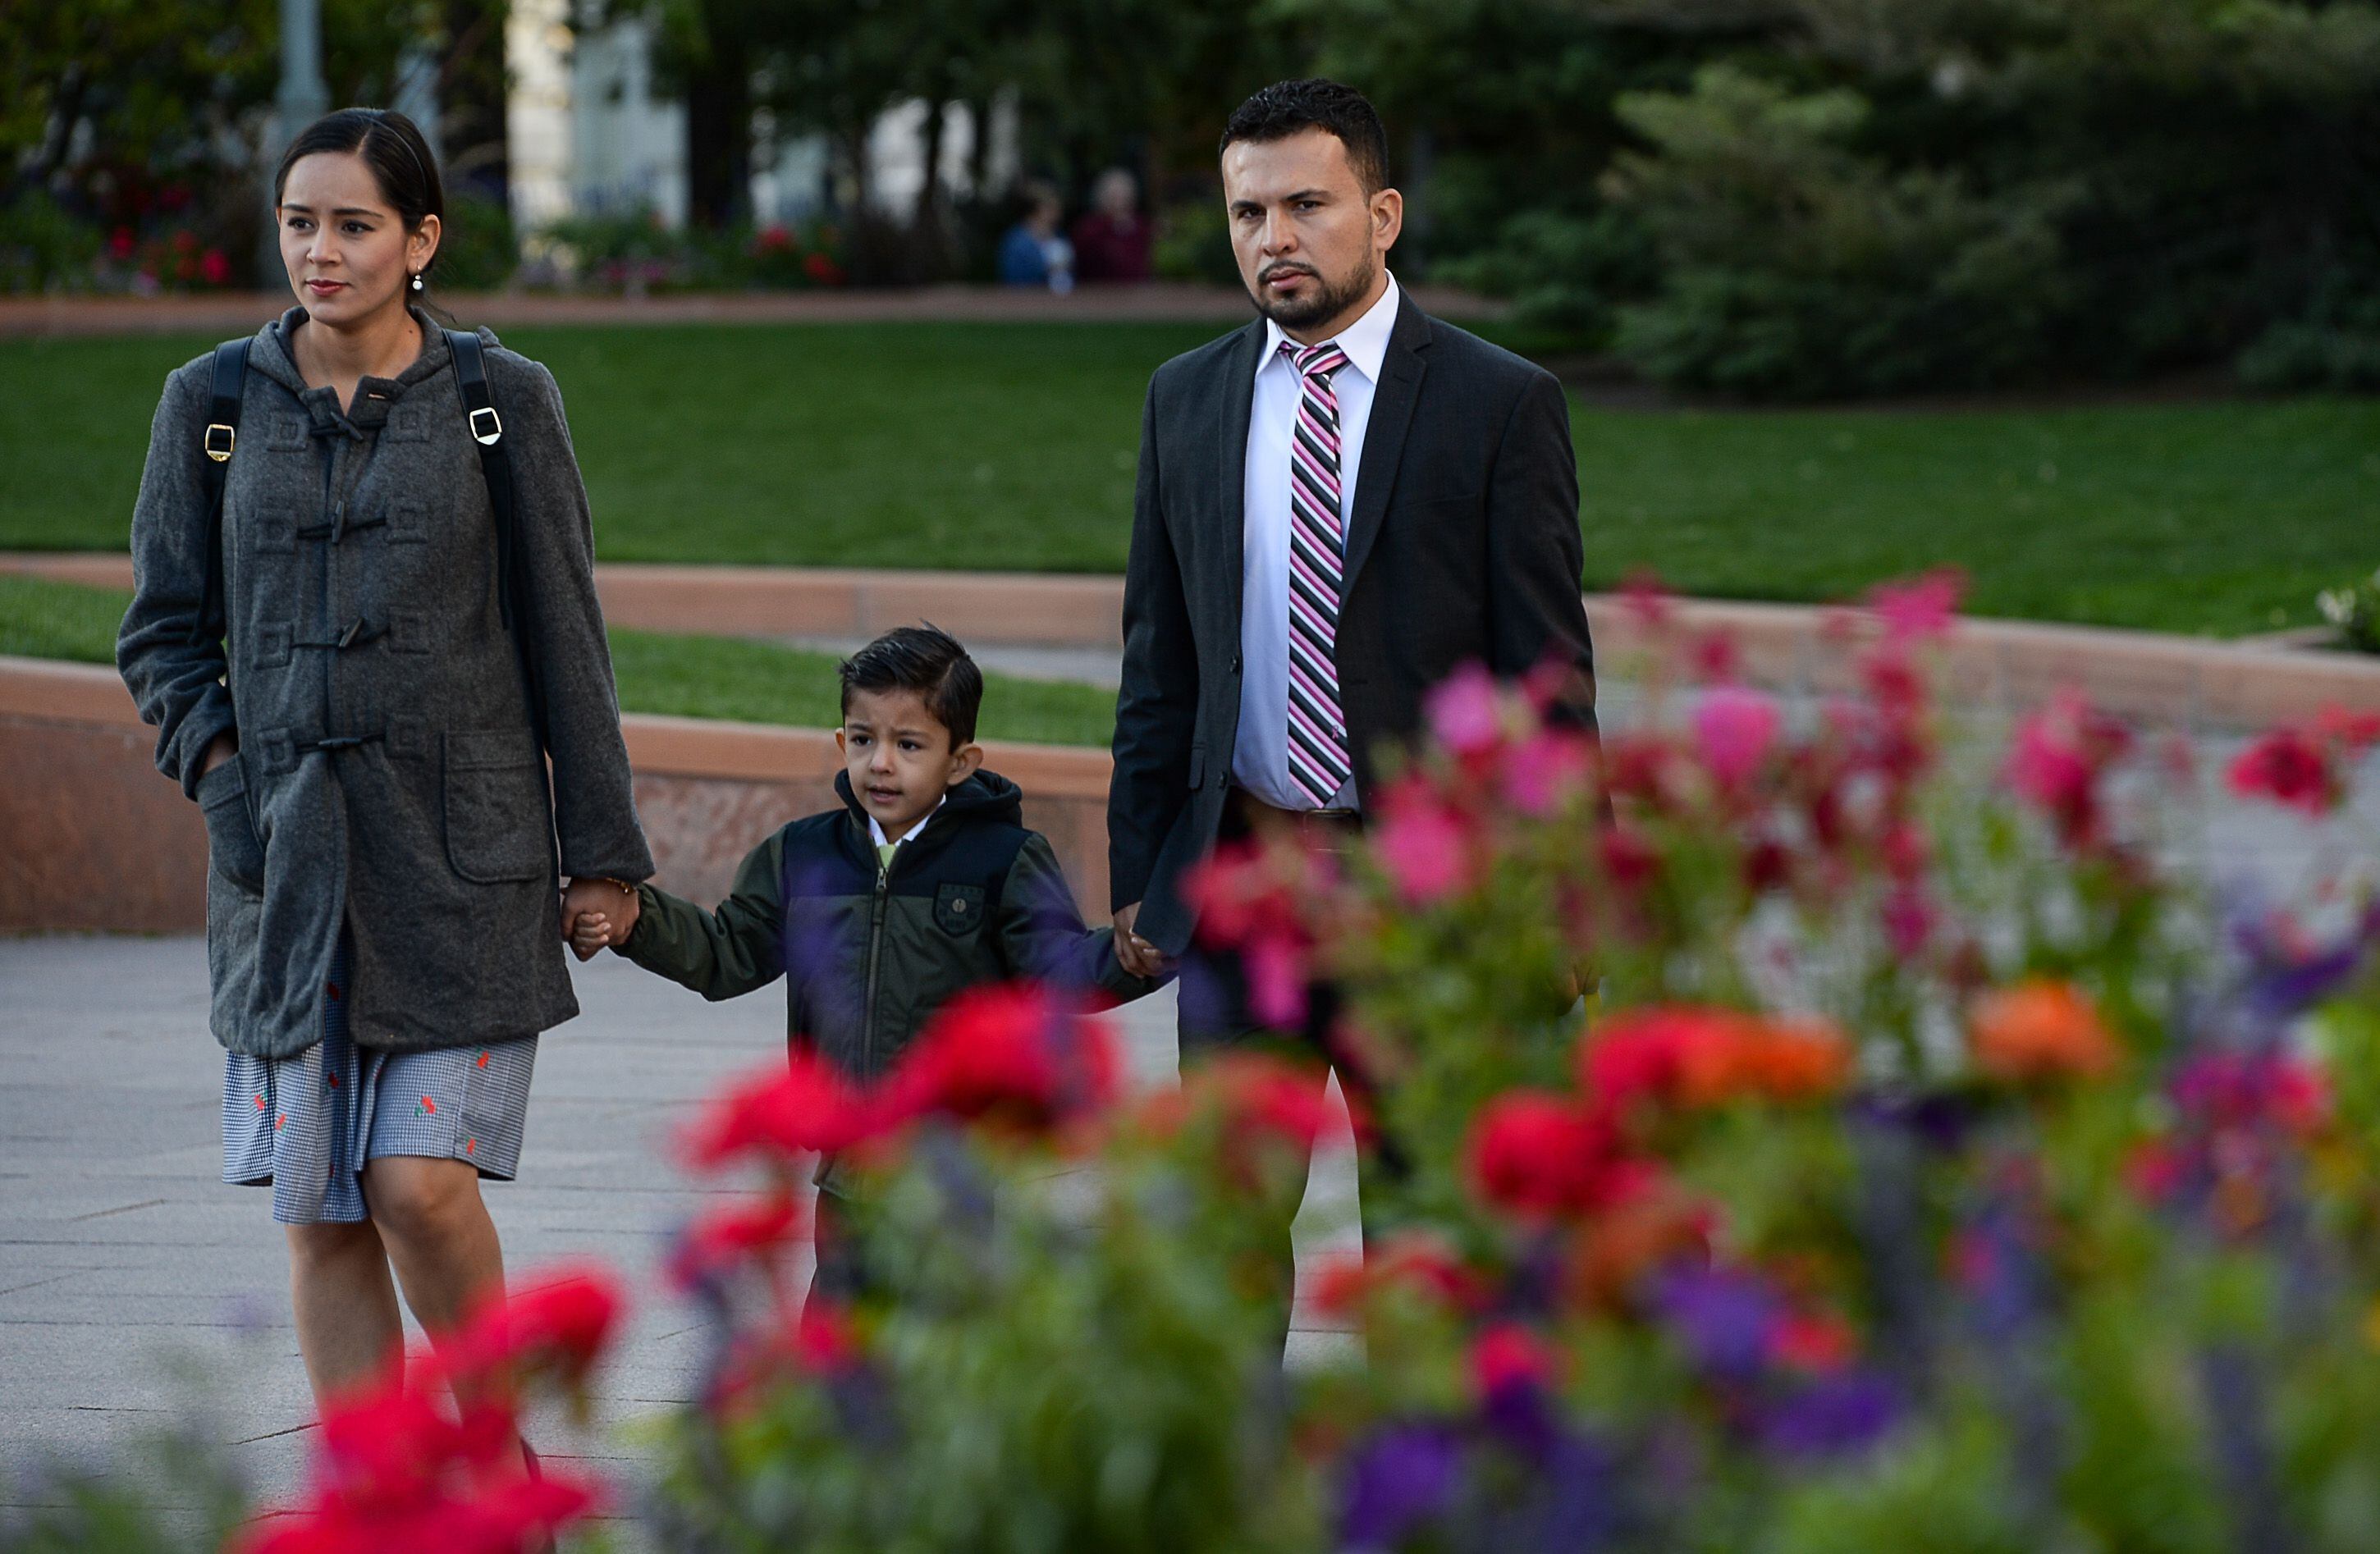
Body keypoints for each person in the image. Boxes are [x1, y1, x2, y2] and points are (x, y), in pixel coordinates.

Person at [115, 107, 652, 1411]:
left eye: (354, 225)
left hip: (461, 868)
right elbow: (162, 638)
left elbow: (563, 634)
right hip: (284, 870)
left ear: (421, 238)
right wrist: (230, 776)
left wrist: (606, 851)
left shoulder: (498, 400)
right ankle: (378, 1504)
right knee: (321, 1213)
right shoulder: (211, 405)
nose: (321, 250)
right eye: (301, 222)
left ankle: (487, 1461)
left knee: (418, 1185)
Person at [1105, 79, 1599, 1342]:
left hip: (1426, 898)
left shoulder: (1499, 403)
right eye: (1247, 211)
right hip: (1243, 884)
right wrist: (1142, 874)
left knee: (1434, 1240)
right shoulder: (1188, 398)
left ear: (1382, 214)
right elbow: (1160, 656)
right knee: (1221, 1236)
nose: (1274, 236)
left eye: (1307, 204)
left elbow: (1548, 677)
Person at [568, 625, 1160, 1300]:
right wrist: (636, 918)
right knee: (838, 1346)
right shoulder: (804, 854)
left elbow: (1059, 972)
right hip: (847, 1160)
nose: (881, 763)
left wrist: (1140, 955)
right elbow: (727, 954)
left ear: (960, 761)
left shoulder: (1004, 859)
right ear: (840, 741)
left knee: (950, 1340)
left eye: (909, 745)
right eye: (863, 739)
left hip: (955, 1165)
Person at [1071, 168, 1153, 283]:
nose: (1118, 200)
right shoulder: (1090, 228)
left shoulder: (1141, 226)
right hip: (1100, 292)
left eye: (1121, 194)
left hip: (1138, 290)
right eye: (1113, 195)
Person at [996, 181, 1074, 292]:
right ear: (1037, 209)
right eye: (1051, 206)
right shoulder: (1016, 243)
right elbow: (1014, 280)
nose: (1058, 211)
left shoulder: (1060, 237)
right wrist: (1046, 270)